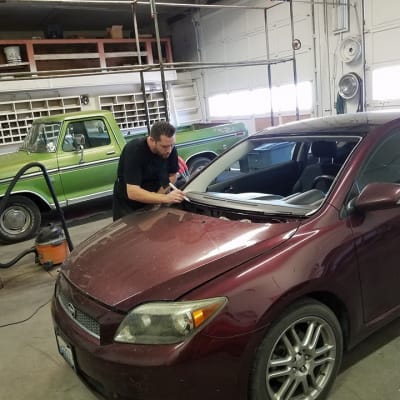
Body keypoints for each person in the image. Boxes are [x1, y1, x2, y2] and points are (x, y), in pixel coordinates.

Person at [112, 121, 186, 221]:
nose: (169, 150)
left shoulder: (170, 149)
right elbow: (133, 192)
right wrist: (166, 198)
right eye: (164, 146)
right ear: (152, 140)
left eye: (172, 145)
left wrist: (157, 200)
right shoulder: (134, 150)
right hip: (129, 205)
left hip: (156, 198)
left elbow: (172, 175)